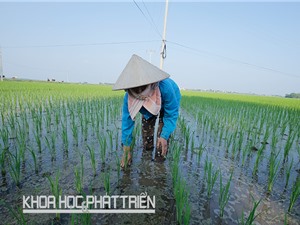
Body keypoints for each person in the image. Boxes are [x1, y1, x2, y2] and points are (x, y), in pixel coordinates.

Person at [112, 54, 181, 168]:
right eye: (135, 92)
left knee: (162, 141)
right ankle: (147, 153)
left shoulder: (166, 87)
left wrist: (164, 135)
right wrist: (126, 147)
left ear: (152, 83)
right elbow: (127, 121)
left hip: (166, 104)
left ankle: (159, 164)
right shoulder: (129, 97)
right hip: (148, 108)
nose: (140, 94)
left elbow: (171, 114)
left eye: (143, 89)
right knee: (147, 133)